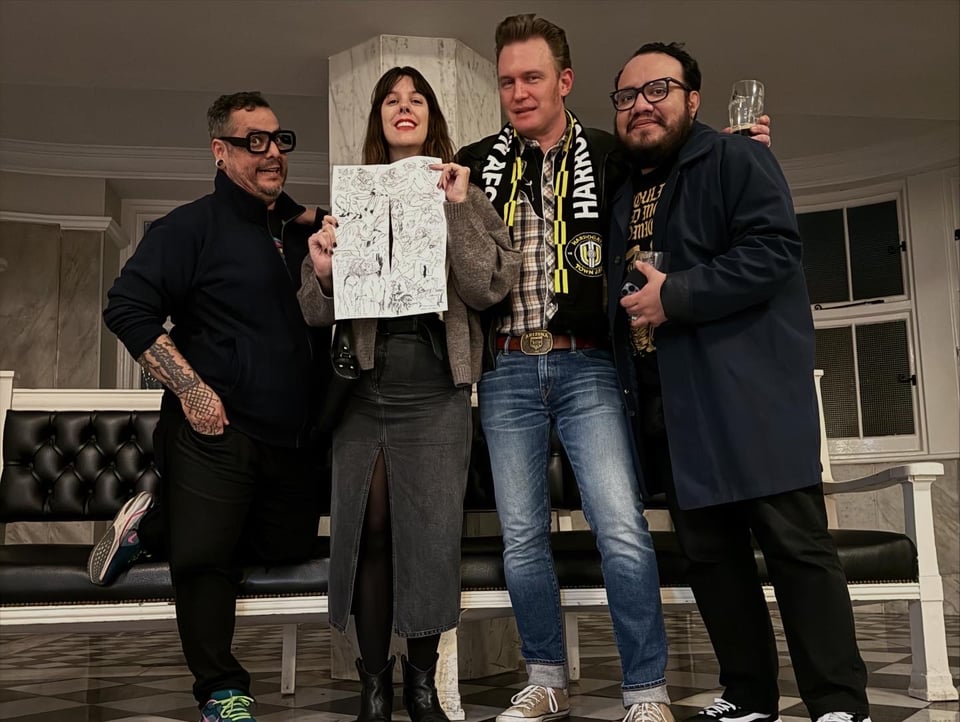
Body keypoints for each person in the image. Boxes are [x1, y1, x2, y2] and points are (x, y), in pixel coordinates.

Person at [456, 15, 772, 722]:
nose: (518, 92)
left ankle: (646, 691)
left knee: (620, 528)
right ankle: (544, 679)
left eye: (532, 77)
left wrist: (738, 149)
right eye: (507, 81)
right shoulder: (476, 163)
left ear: (564, 80)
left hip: (591, 364)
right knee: (522, 538)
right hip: (506, 368)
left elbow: (677, 157)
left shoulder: (608, 152)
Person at [609, 43, 871, 722]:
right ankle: (749, 694)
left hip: (749, 393)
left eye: (658, 89)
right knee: (711, 556)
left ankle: (838, 701)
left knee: (795, 548)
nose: (641, 105)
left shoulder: (736, 157)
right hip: (670, 401)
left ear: (693, 99)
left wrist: (676, 295)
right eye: (627, 96)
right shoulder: (622, 191)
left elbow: (775, 252)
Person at [91, 91, 331, 722]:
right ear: (220, 152)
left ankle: (153, 524)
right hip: (215, 427)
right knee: (206, 559)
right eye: (254, 141)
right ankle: (222, 690)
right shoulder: (187, 228)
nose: (272, 152)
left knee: (284, 547)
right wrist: (193, 391)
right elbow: (126, 308)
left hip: (292, 439)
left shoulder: (302, 234)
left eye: (279, 140)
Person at [298, 66, 520, 722]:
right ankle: (374, 685)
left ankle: (421, 684)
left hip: (434, 388)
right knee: (369, 531)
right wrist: (322, 273)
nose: (404, 107)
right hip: (364, 388)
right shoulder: (352, 197)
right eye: (391, 100)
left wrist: (458, 210)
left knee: (429, 535)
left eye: (416, 98)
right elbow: (315, 311)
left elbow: (488, 287)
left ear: (431, 116)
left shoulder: (465, 192)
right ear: (379, 118)